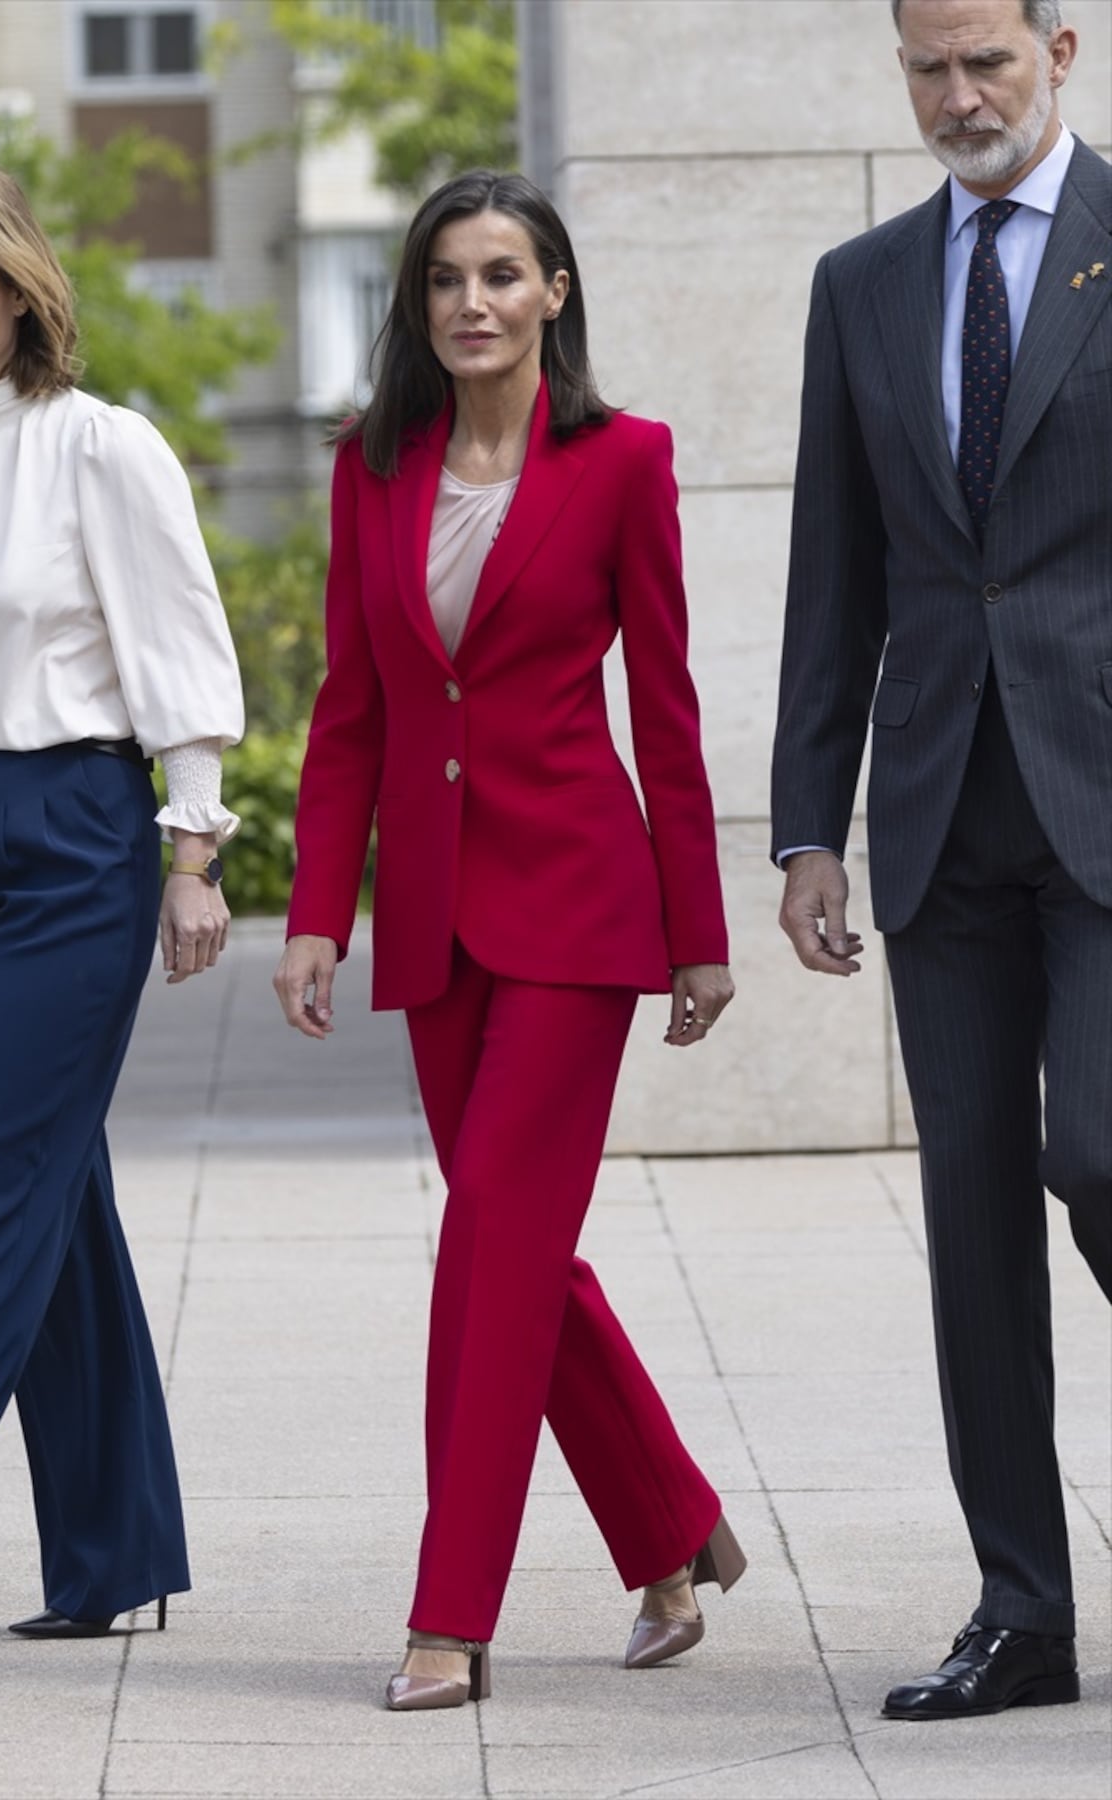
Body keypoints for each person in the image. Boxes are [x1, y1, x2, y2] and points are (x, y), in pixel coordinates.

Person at [274, 169, 745, 1709]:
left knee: (486, 1244)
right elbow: (351, 714)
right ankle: (671, 1529)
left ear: (554, 292)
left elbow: (663, 709)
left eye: (502, 275)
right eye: (443, 280)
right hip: (432, 921)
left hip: (578, 909)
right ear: (417, 306)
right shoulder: (372, 470)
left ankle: (449, 1614)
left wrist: (698, 929)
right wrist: (316, 916)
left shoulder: (625, 464)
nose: (471, 302)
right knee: (520, 1251)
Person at [771, 0, 1109, 1722]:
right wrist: (807, 826)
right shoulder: (864, 283)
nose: (958, 95)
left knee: (1102, 1152)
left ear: (1063, 48)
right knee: (971, 1222)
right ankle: (1023, 1614)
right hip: (937, 817)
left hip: (1110, 803)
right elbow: (835, 568)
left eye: (985, 59)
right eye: (928, 67)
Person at [0, 163, 245, 1636]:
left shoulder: (101, 448)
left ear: (17, 294)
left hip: (67, 832)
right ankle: (112, 1555)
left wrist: (192, 854)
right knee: (52, 1187)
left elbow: (181, 652)